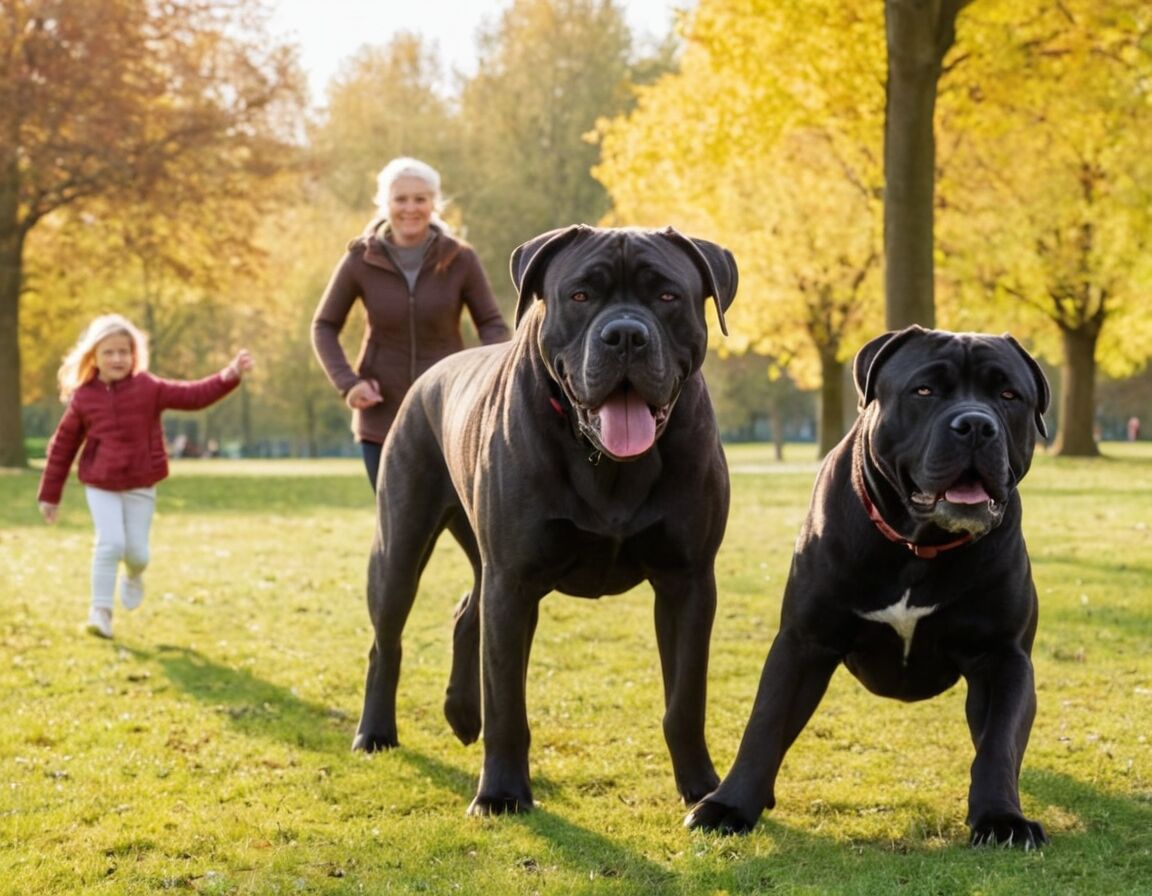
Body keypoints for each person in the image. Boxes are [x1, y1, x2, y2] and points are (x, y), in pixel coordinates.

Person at [37, 314, 254, 639]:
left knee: (137, 553)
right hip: (101, 484)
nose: (117, 358)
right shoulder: (84, 397)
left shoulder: (148, 387)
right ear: (93, 356)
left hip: (140, 484)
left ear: (133, 355)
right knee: (110, 544)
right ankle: (100, 612)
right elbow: (63, 446)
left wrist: (230, 374)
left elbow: (193, 395)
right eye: (108, 352)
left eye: (124, 352)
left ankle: (134, 575)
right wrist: (49, 494)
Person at [311, 156, 510, 489]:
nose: (410, 208)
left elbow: (492, 325)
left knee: (475, 535)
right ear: (385, 203)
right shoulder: (360, 259)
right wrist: (349, 383)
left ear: (434, 203)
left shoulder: (460, 258)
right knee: (398, 539)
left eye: (420, 198)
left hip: (450, 417)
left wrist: (485, 380)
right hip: (381, 418)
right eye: (400, 199)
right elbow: (324, 325)